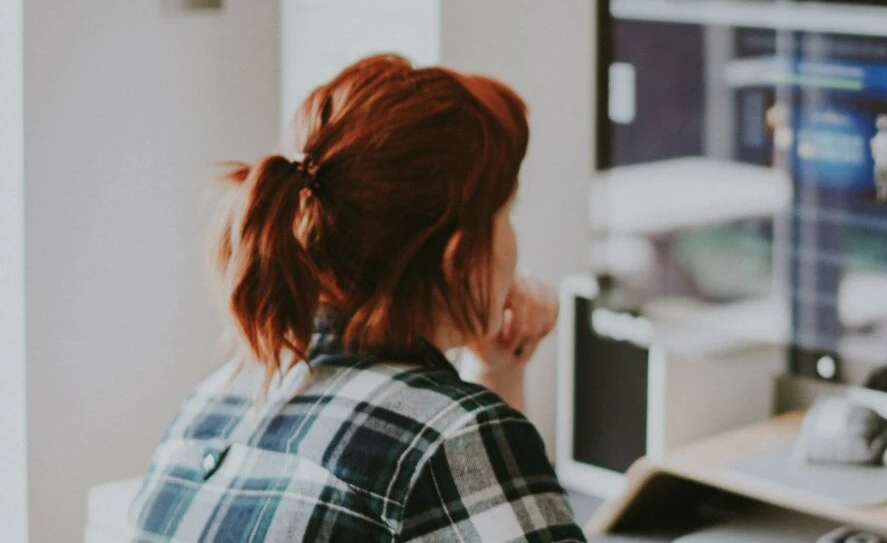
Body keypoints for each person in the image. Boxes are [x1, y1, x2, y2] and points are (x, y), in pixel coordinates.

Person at [129, 55, 584, 542]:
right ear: (460, 255)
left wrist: (499, 371)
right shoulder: (451, 440)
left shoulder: (209, 405)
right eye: (506, 212)